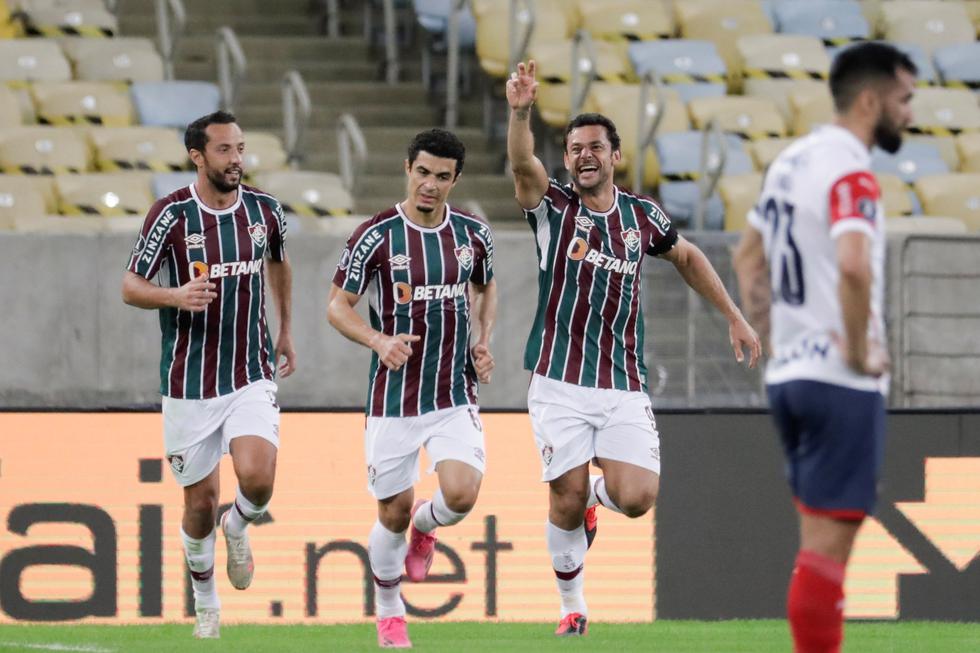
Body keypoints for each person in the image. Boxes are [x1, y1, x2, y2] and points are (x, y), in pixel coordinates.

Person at [506, 61, 761, 636]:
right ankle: (573, 605)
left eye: (595, 146)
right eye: (574, 148)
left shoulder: (641, 216)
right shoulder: (553, 209)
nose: (583, 156)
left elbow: (689, 257)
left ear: (614, 155)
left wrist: (735, 316)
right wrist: (521, 111)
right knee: (563, 500)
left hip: (623, 381)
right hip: (559, 380)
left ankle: (602, 494)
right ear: (567, 159)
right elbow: (523, 163)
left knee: (639, 496)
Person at [733, 42, 916, 653]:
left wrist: (780, 338)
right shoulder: (852, 173)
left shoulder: (790, 161)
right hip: (840, 379)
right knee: (827, 554)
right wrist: (861, 351)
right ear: (871, 100)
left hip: (790, 375)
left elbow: (746, 255)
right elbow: (855, 266)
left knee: (818, 545)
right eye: (904, 99)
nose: (910, 115)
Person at [122, 110, 296, 639]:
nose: (236, 159)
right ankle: (206, 606)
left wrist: (285, 329)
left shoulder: (265, 210)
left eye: (240, 148)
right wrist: (175, 296)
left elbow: (279, 263)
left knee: (258, 480)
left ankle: (238, 524)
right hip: (188, 383)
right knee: (198, 502)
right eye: (224, 150)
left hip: (250, 370)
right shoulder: (170, 216)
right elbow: (131, 286)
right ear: (197, 156)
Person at [327, 128, 497, 649]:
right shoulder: (375, 235)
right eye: (423, 172)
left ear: (455, 180)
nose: (431, 185)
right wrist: (379, 340)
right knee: (391, 513)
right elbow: (337, 307)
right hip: (393, 398)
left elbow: (486, 288)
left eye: (442, 177)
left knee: (463, 494)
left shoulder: (472, 235)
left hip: (452, 393)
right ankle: (388, 612)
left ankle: (430, 526)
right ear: (408, 168)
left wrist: (482, 341)